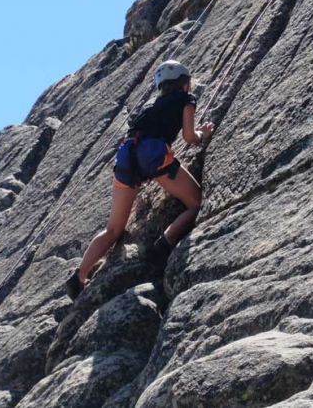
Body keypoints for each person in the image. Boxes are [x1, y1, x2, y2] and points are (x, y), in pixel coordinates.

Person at [64, 60, 214, 300]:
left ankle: (79, 277)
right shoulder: (187, 99)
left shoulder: (150, 107)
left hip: (126, 156)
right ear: (184, 83)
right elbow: (188, 136)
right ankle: (167, 239)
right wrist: (202, 134)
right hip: (153, 155)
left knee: (113, 229)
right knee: (196, 203)